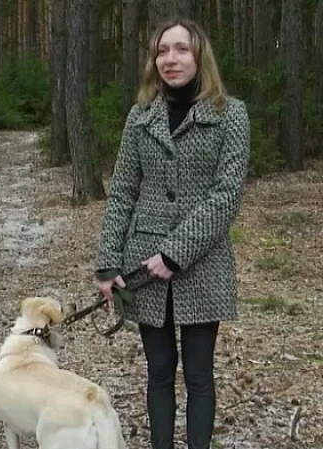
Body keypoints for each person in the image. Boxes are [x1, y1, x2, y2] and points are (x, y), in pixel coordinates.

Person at [93, 17, 251, 449]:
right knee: (159, 370)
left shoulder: (230, 114)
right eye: (162, 51)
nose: (170, 59)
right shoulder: (141, 116)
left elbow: (226, 195)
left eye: (180, 49)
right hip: (142, 264)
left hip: (203, 263)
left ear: (199, 55)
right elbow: (123, 191)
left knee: (199, 374)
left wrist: (176, 253)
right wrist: (108, 265)